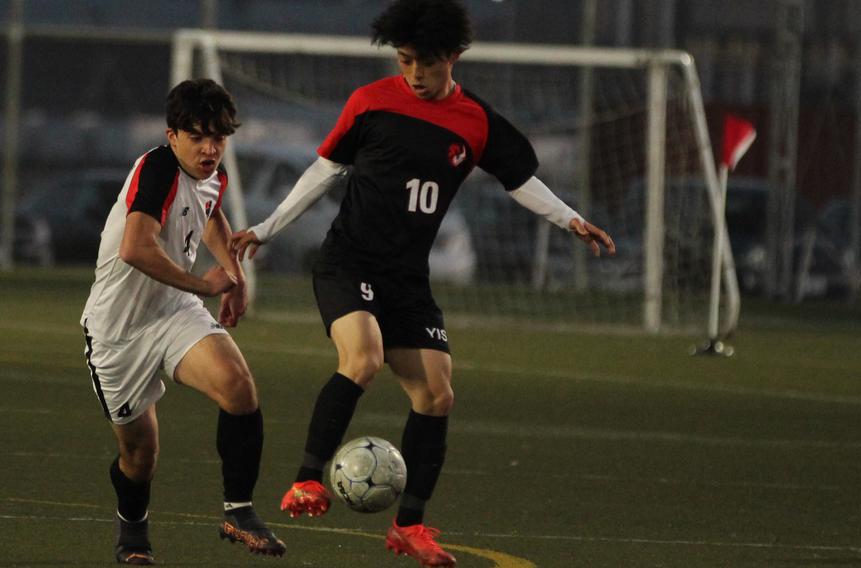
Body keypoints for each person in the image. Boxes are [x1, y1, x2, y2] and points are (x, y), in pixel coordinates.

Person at [232, 1, 615, 566]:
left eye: (427, 63)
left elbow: (519, 178)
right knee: (362, 359)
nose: (414, 73)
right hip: (349, 263)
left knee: (436, 393)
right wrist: (266, 228)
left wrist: (570, 219)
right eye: (406, 60)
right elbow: (324, 168)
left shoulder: (477, 121)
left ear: (454, 57)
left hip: (407, 278)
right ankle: (308, 479)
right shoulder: (370, 102)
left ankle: (409, 525)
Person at [80, 78, 285, 565]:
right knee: (140, 456)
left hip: (172, 312)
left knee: (238, 387)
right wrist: (205, 285)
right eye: (197, 136)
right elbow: (134, 248)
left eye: (218, 138)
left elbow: (211, 215)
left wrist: (233, 277)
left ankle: (239, 510)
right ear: (172, 135)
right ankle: (133, 535)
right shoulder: (157, 169)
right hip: (117, 330)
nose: (210, 149)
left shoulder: (214, 174)